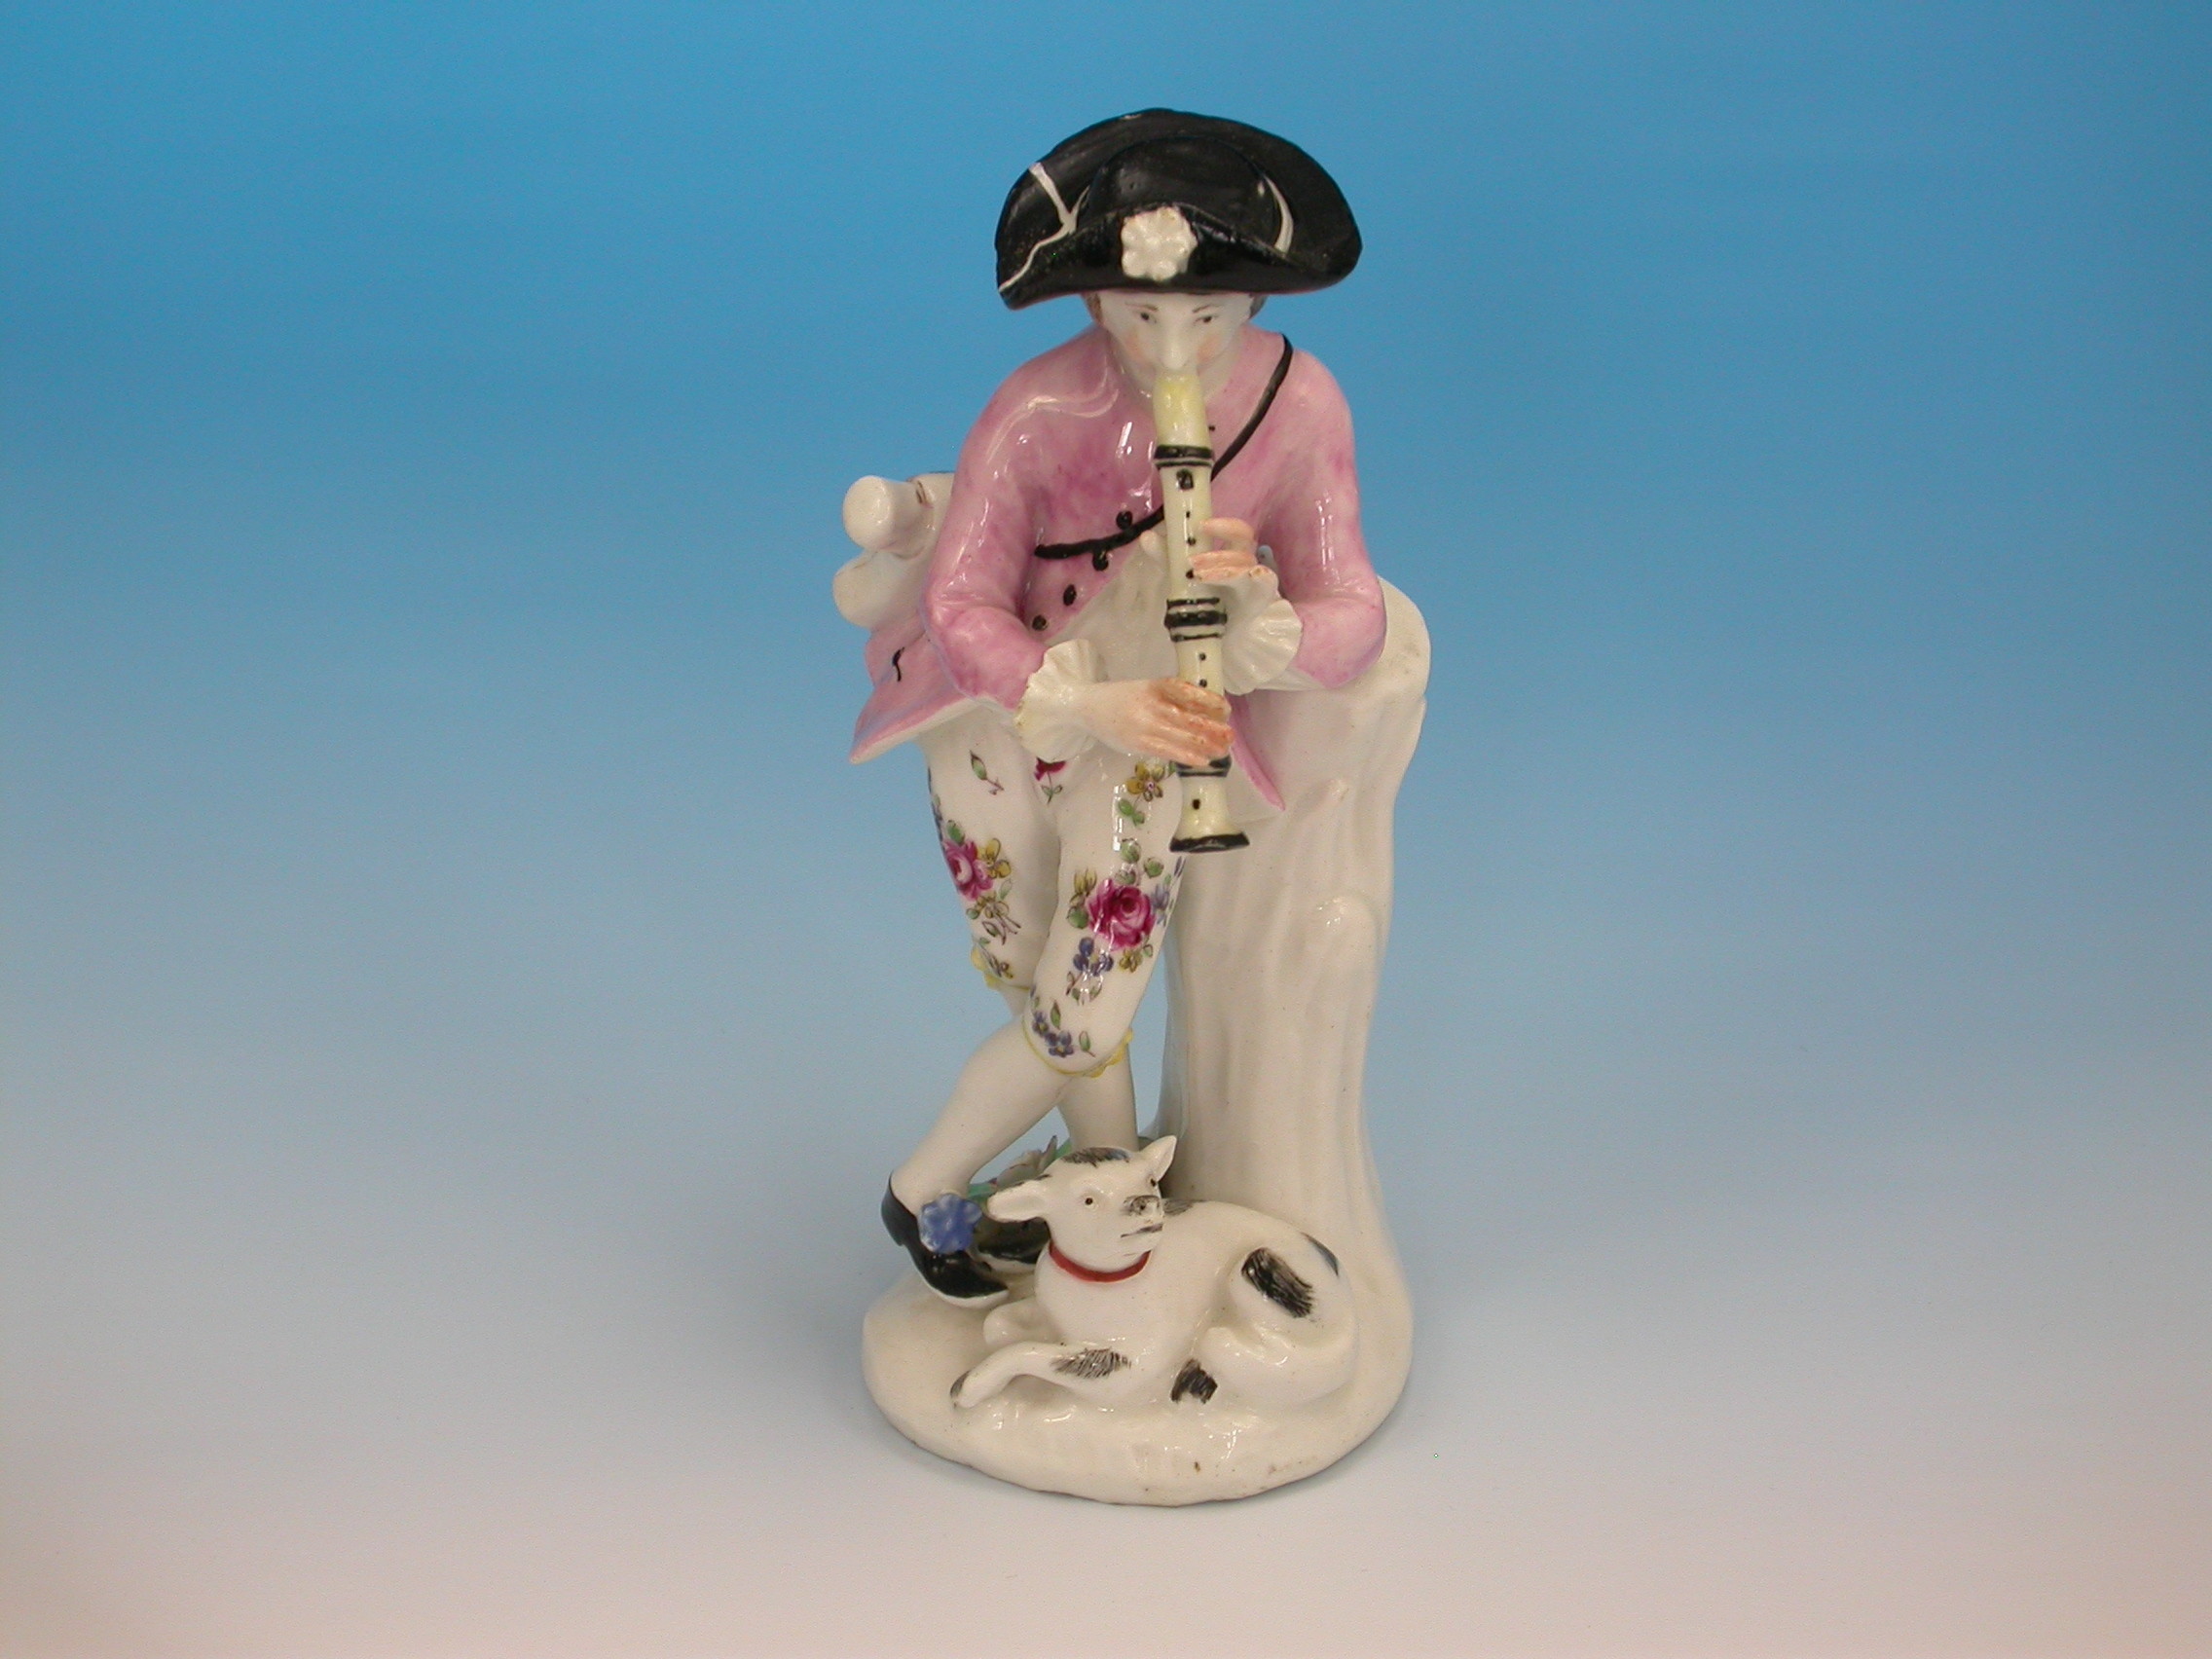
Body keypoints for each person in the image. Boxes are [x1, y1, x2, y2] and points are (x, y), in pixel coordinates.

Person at [849, 111, 1387, 1302]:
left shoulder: (1300, 406)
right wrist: (1076, 701)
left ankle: (919, 1191)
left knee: (1080, 1009)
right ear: (1096, 299)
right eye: (1142, 316)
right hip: (1002, 721)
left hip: (1158, 743)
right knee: (1027, 972)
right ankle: (1102, 1193)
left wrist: (1265, 629)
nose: (1173, 346)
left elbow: (1356, 614)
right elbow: (959, 601)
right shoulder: (1037, 408)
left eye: (1211, 316)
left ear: (1257, 301)